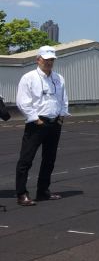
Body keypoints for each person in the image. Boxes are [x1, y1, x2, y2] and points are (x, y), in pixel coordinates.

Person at [15, 45, 70, 206]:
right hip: (37, 123)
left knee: (49, 159)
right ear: (38, 59)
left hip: (54, 123)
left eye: (52, 60)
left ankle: (43, 190)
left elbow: (63, 98)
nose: (49, 62)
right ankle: (21, 194)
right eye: (46, 59)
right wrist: (35, 118)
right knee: (26, 159)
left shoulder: (59, 78)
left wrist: (61, 116)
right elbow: (22, 101)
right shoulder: (29, 77)